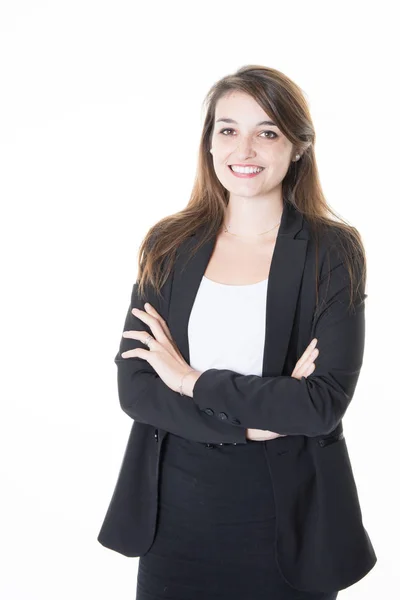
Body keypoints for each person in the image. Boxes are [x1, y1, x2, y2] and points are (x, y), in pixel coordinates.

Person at [97, 65, 377, 599]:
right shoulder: (169, 244)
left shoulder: (332, 251)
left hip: (287, 522)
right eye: (227, 129)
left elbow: (319, 406)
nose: (243, 148)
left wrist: (188, 380)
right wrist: (251, 423)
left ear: (297, 147)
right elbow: (135, 389)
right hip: (174, 520)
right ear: (209, 143)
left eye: (266, 131)